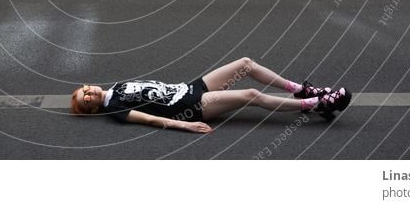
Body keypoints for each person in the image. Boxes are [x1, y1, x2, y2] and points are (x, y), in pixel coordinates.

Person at [70, 57, 351, 133]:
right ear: (93, 109)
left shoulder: (116, 88)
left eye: (84, 90)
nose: (88, 93)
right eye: (86, 100)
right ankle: (314, 105)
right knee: (251, 94)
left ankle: (301, 89)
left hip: (190, 87)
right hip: (192, 106)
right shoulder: (116, 107)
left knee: (245, 64)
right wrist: (185, 124)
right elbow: (149, 119)